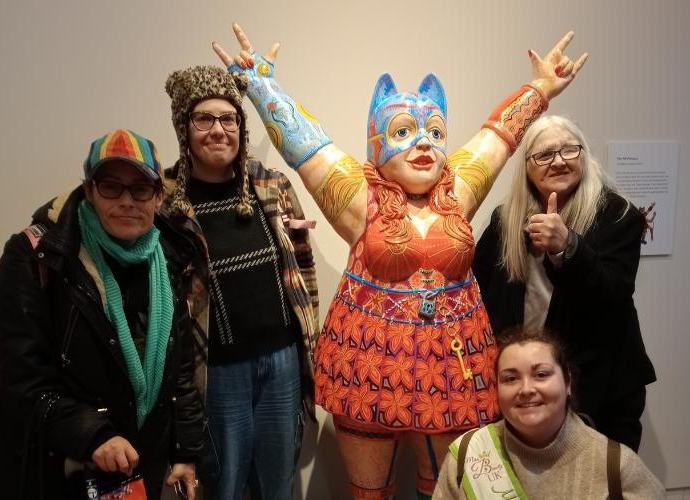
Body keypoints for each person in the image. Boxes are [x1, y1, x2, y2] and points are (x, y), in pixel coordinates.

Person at [213, 23, 586, 499]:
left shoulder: (459, 189)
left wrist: (542, 88)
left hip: (451, 372)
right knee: (369, 493)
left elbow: (500, 136)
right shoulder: (356, 193)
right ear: (376, 141)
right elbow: (303, 140)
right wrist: (260, 85)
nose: (423, 144)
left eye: (433, 131)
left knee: (447, 489)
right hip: (366, 368)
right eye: (404, 132)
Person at [0, 129, 203, 499]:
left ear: (157, 196)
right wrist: (93, 434)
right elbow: (22, 377)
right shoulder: (37, 255)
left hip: (142, 465)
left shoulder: (168, 254)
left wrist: (185, 452)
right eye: (111, 186)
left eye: (140, 188)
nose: (126, 201)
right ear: (88, 190)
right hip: (65, 468)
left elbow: (181, 368)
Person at [162, 64, 320, 500]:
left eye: (228, 118)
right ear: (184, 128)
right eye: (204, 119)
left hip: (282, 365)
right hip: (216, 373)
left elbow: (303, 274)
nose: (218, 130)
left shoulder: (270, 184)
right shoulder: (166, 200)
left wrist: (311, 355)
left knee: (278, 484)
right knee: (223, 485)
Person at [471, 115, 656, 451]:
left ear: (584, 155)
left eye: (569, 150)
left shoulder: (619, 215)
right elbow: (476, 292)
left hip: (600, 388)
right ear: (526, 168)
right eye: (544, 154)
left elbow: (612, 295)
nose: (558, 161)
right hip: (527, 388)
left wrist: (567, 247)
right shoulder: (506, 220)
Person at [432, 327, 664, 499]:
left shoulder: (616, 466)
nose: (526, 389)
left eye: (541, 375)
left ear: (567, 383)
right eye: (510, 378)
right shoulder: (467, 454)